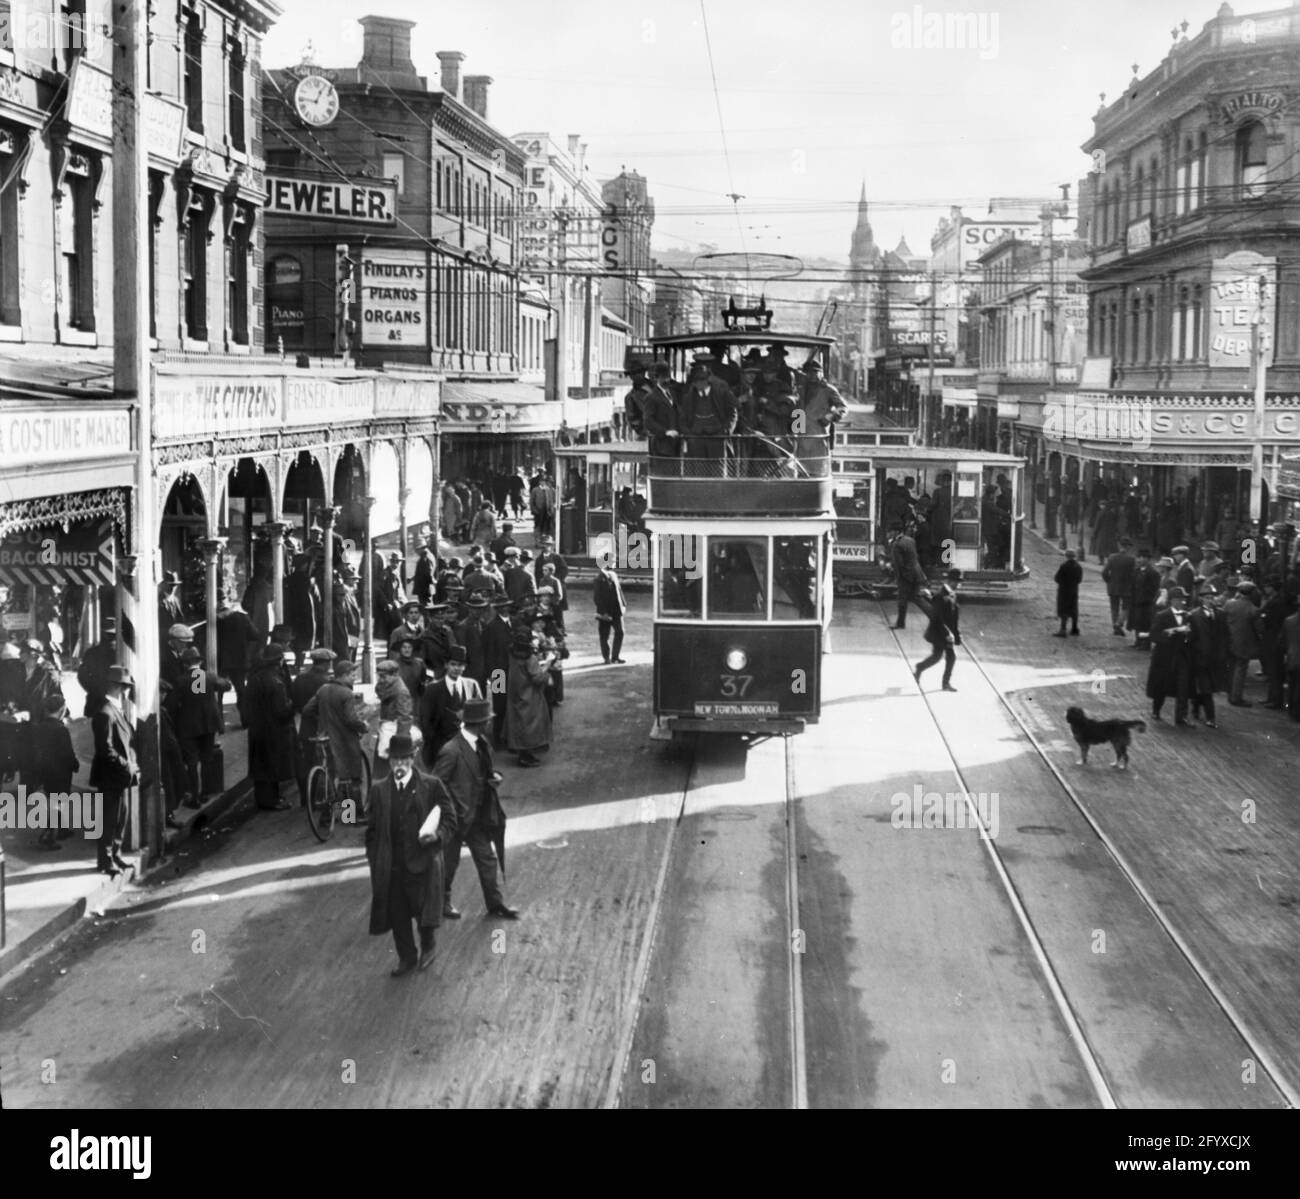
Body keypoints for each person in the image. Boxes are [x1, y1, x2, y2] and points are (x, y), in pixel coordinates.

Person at [365, 733, 449, 977]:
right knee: (397, 915)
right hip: (392, 867)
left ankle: (429, 945)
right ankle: (406, 957)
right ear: (389, 762)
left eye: (404, 759)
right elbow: (371, 831)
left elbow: (450, 818)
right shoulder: (379, 790)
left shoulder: (431, 786)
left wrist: (438, 836)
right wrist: (375, 858)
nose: (399, 765)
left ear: (413, 759)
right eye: (394, 760)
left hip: (422, 864)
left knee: (424, 912)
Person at [433, 697, 517, 920]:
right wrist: (452, 809)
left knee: (487, 859)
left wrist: (494, 777)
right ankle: (442, 903)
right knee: (449, 863)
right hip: (456, 819)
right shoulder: (451, 750)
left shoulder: (482, 744)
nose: (489, 723)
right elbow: (435, 785)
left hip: (477, 817)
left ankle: (495, 903)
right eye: (487, 720)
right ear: (481, 723)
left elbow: (484, 771)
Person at [302, 659, 370, 812]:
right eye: (352, 674)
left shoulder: (323, 689)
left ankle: (325, 819)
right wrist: (363, 726)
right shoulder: (347, 693)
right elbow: (351, 719)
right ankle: (351, 816)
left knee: (328, 777)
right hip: (345, 741)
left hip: (324, 739)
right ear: (344, 675)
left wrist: (323, 720)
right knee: (351, 777)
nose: (354, 677)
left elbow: (307, 710)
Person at [165, 646, 230, 803]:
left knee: (192, 762)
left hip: (188, 727)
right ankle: (205, 793)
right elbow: (226, 686)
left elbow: (171, 706)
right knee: (207, 759)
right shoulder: (208, 677)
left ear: (185, 664)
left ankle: (194, 797)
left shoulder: (181, 681)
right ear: (199, 663)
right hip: (208, 726)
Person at [88, 665, 137, 876]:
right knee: (109, 819)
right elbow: (105, 749)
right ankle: (106, 860)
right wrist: (127, 765)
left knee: (120, 817)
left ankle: (115, 855)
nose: (127, 692)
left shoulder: (114, 710)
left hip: (119, 776)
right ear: (119, 687)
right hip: (110, 776)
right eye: (125, 687)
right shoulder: (106, 714)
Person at [245, 644, 296, 811]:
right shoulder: (276, 682)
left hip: (257, 729)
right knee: (272, 766)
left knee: (260, 766)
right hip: (273, 730)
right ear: (279, 661)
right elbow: (281, 711)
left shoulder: (255, 678)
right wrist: (292, 706)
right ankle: (271, 800)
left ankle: (264, 798)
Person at [420, 645, 483, 767]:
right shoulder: (433, 689)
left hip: (467, 746)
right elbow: (425, 722)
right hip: (440, 748)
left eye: (460, 665)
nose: (456, 668)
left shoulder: (472, 685)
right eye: (453, 664)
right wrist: (437, 746)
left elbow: (481, 716)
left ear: (464, 667)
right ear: (446, 665)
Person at [30, 694, 78, 850]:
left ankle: (61, 830)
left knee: (53, 800)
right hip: (61, 772)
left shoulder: (39, 727)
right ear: (62, 710)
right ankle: (49, 836)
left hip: (45, 771)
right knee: (59, 802)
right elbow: (67, 753)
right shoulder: (61, 729)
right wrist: (75, 765)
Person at [506, 626, 555, 767]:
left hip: (512, 689)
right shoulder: (529, 657)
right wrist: (547, 669)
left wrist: (500, 689)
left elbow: (500, 667)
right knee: (528, 723)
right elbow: (536, 677)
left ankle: (510, 744)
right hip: (526, 692)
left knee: (514, 719)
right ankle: (524, 753)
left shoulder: (510, 651)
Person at [292, 647, 336, 805]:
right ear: (326, 664)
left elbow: (296, 703)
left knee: (306, 763)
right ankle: (346, 814)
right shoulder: (327, 683)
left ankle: (306, 799)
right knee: (328, 765)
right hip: (323, 728)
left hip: (305, 727)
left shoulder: (299, 679)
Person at [679, 357, 738, 461]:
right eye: (696, 380)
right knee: (698, 473)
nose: (699, 383)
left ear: (708, 379)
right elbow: (682, 418)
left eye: (702, 379)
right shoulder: (688, 397)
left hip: (718, 441)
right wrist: (690, 435)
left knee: (718, 473)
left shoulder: (721, 393)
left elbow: (733, 413)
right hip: (696, 442)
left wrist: (725, 432)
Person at [913, 568, 962, 692]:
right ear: (951, 581)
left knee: (947, 656)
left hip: (947, 633)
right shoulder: (941, 595)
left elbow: (953, 617)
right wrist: (947, 633)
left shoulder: (952, 594)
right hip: (939, 632)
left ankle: (944, 683)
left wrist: (957, 634)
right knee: (939, 656)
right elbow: (937, 618)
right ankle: (920, 668)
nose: (959, 584)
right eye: (957, 581)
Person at [1187, 583, 1227, 728]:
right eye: (1208, 598)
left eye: (1213, 597)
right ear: (1201, 599)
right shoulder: (1194, 616)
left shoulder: (1221, 614)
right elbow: (1191, 638)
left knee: (1205, 687)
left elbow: (1224, 635)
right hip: (1200, 658)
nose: (1211, 600)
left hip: (1215, 659)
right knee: (1207, 689)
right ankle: (1210, 717)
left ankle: (1196, 707)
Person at [217, 599, 259, 728]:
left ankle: (219, 724)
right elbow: (255, 635)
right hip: (239, 660)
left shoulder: (213, 620)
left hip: (219, 661)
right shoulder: (242, 618)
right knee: (241, 690)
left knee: (218, 692)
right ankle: (246, 721)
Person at [374, 660, 416, 780]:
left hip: (395, 736)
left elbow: (405, 718)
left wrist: (399, 745)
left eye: (384, 676)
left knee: (394, 772)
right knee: (383, 771)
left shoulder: (401, 692)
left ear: (394, 675)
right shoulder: (385, 687)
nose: (381, 680)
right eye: (379, 676)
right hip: (386, 732)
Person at [1223, 580, 1262, 708]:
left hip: (1229, 640)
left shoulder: (1229, 604)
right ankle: (1236, 697)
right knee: (1240, 670)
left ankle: (1230, 693)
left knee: (1231, 667)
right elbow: (1259, 629)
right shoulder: (1253, 610)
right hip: (1244, 644)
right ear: (1251, 593)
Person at [888, 523, 928, 630]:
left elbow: (898, 564)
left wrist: (897, 576)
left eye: (890, 532)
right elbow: (914, 557)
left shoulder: (896, 544)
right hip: (917, 572)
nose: (888, 534)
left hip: (906, 575)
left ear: (895, 532)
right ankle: (935, 618)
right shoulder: (910, 540)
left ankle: (900, 624)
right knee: (917, 598)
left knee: (902, 600)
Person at [643, 365, 683, 469]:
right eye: (663, 377)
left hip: (675, 445)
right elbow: (648, 421)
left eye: (668, 376)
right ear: (656, 378)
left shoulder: (673, 394)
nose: (666, 380)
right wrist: (665, 432)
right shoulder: (651, 397)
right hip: (661, 446)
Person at [285, 554, 320, 672]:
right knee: (304, 641)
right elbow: (317, 600)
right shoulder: (309, 581)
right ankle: (300, 663)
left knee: (296, 641)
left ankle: (298, 661)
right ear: (305, 565)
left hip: (292, 616)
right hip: (306, 617)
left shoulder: (289, 580)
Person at [594, 555, 627, 664]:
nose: (615, 563)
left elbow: (619, 591)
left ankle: (615, 656)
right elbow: (597, 598)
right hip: (605, 612)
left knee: (620, 632)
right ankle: (606, 657)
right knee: (604, 635)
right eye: (612, 561)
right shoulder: (599, 578)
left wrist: (623, 604)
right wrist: (603, 613)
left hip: (617, 611)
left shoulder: (614, 575)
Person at [1102, 538, 1136, 636]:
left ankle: (1115, 627)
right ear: (1128, 547)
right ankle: (1119, 623)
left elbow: (1104, 572)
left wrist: (1109, 581)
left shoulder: (1112, 557)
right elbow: (1134, 573)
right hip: (1127, 587)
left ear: (1119, 545)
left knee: (1114, 607)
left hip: (1113, 586)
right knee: (1126, 607)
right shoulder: (1132, 559)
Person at [1128, 548, 1161, 650]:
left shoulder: (1153, 573)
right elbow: (1132, 586)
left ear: (1148, 559)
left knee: (1145, 623)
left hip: (1146, 603)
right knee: (1137, 622)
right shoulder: (1136, 571)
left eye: (1143, 558)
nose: (1140, 559)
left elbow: (1154, 588)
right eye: (1139, 557)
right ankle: (1138, 641)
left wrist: (1148, 599)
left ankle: (1146, 643)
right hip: (1136, 601)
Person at [1053, 549, 1083, 637]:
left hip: (1064, 591)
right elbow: (1079, 579)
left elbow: (1057, 578)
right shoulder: (1078, 566)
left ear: (1066, 556)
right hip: (1074, 590)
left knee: (1063, 610)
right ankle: (1074, 628)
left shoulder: (1064, 566)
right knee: (1073, 609)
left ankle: (1063, 629)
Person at [394, 632, 427, 702]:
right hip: (399, 701)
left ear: (413, 649)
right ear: (400, 649)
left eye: (409, 647)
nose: (407, 650)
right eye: (404, 647)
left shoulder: (420, 664)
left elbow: (423, 683)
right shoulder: (394, 665)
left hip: (415, 700)